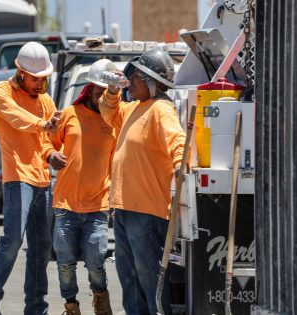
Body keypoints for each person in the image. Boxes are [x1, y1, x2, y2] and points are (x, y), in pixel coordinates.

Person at [98, 49, 186, 315]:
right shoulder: (136, 108)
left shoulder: (161, 109)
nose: (130, 84)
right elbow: (108, 112)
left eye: (134, 78)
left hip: (146, 212)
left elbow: (177, 139)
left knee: (148, 276)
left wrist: (181, 162)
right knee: (129, 276)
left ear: (151, 81)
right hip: (126, 208)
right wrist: (113, 90)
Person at [0, 41, 60, 315]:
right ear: (21, 73)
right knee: (13, 240)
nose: (40, 83)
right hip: (17, 178)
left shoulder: (46, 101)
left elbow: (46, 140)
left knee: (41, 247)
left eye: (44, 79)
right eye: (35, 79)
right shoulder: (3, 92)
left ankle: (36, 308)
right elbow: (16, 118)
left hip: (41, 180)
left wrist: (51, 156)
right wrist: (42, 124)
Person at [42, 59, 117, 315]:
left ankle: (100, 297)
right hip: (66, 204)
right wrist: (51, 154)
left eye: (108, 92)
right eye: (99, 91)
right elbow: (46, 142)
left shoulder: (114, 121)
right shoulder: (68, 115)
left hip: (98, 205)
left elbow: (118, 163)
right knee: (65, 264)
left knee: (96, 261)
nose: (102, 97)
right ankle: (71, 305)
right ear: (89, 88)